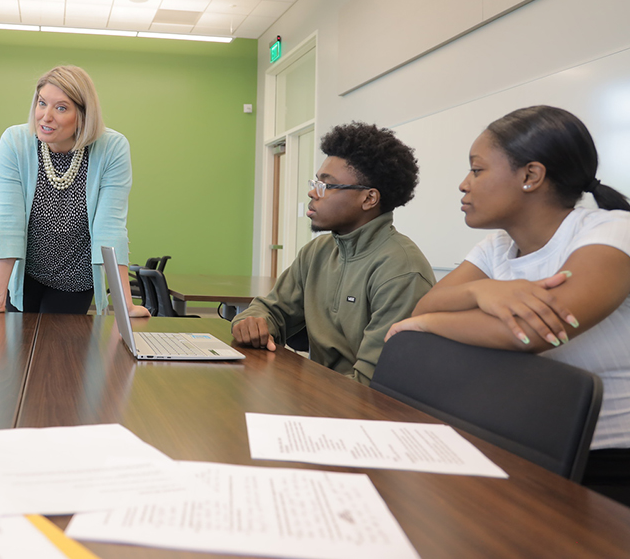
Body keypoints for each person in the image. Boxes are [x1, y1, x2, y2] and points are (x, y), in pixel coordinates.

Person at [386, 105, 630, 504]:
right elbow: (428, 304)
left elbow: (532, 332)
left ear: (531, 176)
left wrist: (430, 325)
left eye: (477, 170)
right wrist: (482, 292)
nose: (464, 184)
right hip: (526, 444)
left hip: (608, 464)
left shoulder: (610, 231)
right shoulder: (498, 245)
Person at [232, 122, 435, 384]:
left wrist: (297, 390)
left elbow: (374, 382)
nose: (312, 193)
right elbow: (273, 310)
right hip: (322, 397)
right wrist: (252, 321)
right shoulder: (318, 251)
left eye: (326, 186)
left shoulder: (401, 270)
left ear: (369, 199)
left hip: (364, 413)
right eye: (316, 182)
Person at [0, 65, 148, 316]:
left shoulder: (112, 148)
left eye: (61, 108)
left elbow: (110, 228)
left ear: (84, 115)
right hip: (26, 275)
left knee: (58, 351)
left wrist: (124, 304)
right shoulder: (15, 142)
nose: (45, 116)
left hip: (77, 279)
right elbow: (8, 221)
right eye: (42, 103)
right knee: (15, 350)